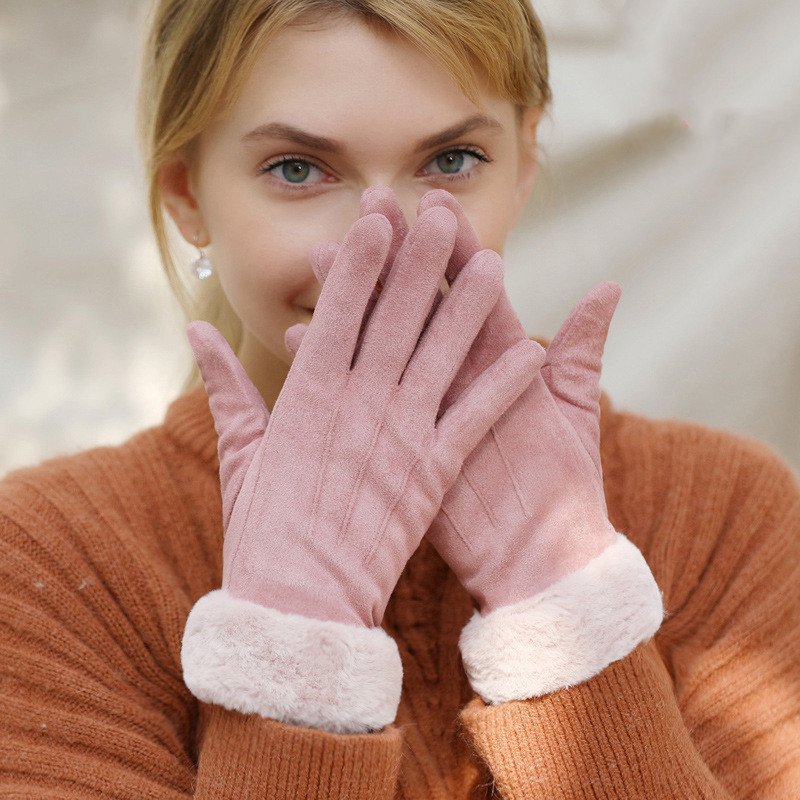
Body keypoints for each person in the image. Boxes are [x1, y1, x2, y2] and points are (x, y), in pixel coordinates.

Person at [1, 1, 798, 798]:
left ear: (525, 162)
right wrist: (295, 662)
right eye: (297, 169)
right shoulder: (48, 563)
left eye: (451, 160)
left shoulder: (727, 515)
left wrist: (567, 612)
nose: (384, 246)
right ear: (187, 194)